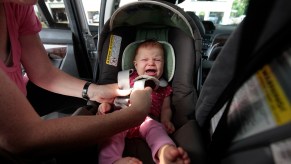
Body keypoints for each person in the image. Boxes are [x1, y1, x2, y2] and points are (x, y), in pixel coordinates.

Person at [0, 0, 152, 161]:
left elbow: (44, 73)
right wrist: (136, 114)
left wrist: (94, 91)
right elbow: (23, 138)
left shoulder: (18, 6)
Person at [98, 40, 190, 164]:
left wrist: (165, 120)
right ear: (135, 65)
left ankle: (165, 152)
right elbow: (112, 95)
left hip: (147, 120)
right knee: (112, 134)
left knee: (158, 132)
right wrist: (105, 106)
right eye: (144, 60)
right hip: (122, 116)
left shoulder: (164, 87)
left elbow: (166, 108)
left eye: (157, 60)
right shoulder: (127, 80)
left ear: (164, 64)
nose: (151, 62)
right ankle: (112, 161)